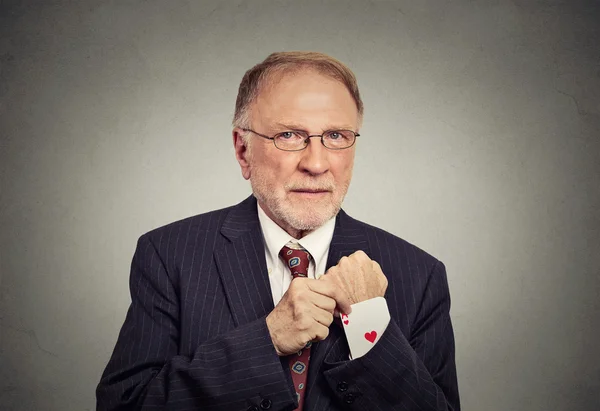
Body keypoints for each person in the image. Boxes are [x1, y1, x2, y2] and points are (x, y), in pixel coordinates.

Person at [96, 51, 460, 411]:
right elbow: (125, 405)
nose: (317, 164)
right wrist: (265, 341)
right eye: (289, 135)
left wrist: (369, 326)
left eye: (335, 135)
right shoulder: (169, 255)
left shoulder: (421, 275)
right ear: (243, 150)